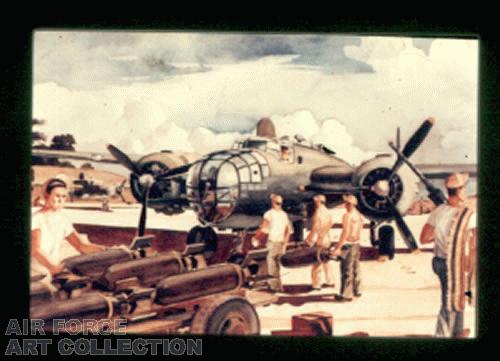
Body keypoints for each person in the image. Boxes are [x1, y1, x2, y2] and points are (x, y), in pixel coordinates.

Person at [420, 172, 476, 338]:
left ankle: (457, 331)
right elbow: (475, 244)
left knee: (455, 298)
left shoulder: (438, 212)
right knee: (451, 301)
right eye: (464, 188)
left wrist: (441, 234)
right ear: (460, 191)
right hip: (456, 264)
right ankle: (442, 335)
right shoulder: (468, 214)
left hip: (439, 261)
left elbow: (424, 239)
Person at [31, 178, 107, 282]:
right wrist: (54, 268)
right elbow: (36, 250)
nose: (60, 200)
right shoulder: (36, 218)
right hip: (36, 273)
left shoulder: (63, 219)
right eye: (57, 196)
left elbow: (81, 246)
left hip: (52, 271)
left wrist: (105, 250)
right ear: (47, 196)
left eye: (64, 196)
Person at [255, 194, 293, 292]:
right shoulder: (284, 214)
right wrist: (285, 243)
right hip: (280, 243)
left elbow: (263, 228)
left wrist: (256, 237)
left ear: (272, 202)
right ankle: (278, 286)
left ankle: (274, 287)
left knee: (271, 265)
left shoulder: (269, 214)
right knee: (276, 266)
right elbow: (288, 230)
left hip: (272, 242)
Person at [331, 193, 363, 302]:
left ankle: (346, 295)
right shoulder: (358, 215)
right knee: (356, 268)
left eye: (347, 203)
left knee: (346, 270)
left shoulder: (347, 216)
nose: (345, 205)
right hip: (357, 244)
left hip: (348, 244)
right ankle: (357, 290)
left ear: (351, 204)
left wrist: (338, 247)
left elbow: (345, 232)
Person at [305, 194, 335, 290]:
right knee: (326, 261)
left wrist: (309, 238)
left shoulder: (318, 212)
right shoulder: (327, 212)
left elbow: (315, 227)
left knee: (316, 262)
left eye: (315, 202)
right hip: (326, 238)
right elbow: (330, 224)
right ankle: (330, 281)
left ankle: (316, 285)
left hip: (319, 239)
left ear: (318, 202)